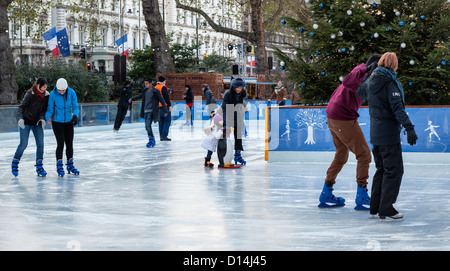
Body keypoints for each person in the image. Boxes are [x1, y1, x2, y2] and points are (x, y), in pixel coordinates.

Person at [356, 52, 418, 219]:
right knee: (394, 171)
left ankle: (376, 206)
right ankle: (386, 207)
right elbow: (397, 109)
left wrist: (367, 73)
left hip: (376, 134)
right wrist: (409, 127)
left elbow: (359, 92)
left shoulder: (371, 80)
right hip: (389, 135)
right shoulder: (389, 82)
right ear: (394, 65)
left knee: (381, 170)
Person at [318, 54, 381, 210]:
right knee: (364, 154)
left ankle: (326, 193)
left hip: (334, 116)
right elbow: (347, 82)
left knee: (341, 155)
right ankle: (362, 195)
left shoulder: (364, 76)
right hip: (342, 118)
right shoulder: (359, 73)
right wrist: (365, 69)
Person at [11, 78, 50, 177]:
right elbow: (21, 107)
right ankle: (15, 163)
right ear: (37, 85)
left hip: (37, 123)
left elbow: (44, 110)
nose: (44, 89)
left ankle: (39, 167)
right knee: (23, 144)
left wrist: (42, 119)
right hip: (26, 122)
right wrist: (20, 119)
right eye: (43, 86)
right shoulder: (30, 94)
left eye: (46, 87)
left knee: (40, 144)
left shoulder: (46, 96)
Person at [45, 78, 80, 177]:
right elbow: (50, 110)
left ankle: (70, 165)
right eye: (59, 90)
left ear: (66, 88)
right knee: (60, 143)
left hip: (68, 122)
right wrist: (44, 119)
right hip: (57, 122)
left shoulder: (71, 92)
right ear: (57, 88)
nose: (61, 92)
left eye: (63, 90)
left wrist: (75, 116)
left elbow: (75, 106)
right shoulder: (52, 94)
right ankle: (59, 165)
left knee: (69, 143)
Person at [130, 78, 168, 147]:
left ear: (151, 83)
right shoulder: (145, 91)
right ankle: (152, 139)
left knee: (148, 126)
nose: (146, 85)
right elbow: (139, 96)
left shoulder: (155, 91)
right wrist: (132, 99)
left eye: (147, 84)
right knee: (146, 127)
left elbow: (162, 100)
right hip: (145, 111)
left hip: (151, 111)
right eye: (145, 84)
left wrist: (165, 110)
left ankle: (151, 139)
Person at [221, 77, 247, 166]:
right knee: (226, 137)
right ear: (233, 87)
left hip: (237, 117)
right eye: (237, 87)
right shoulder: (228, 95)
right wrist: (225, 123)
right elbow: (225, 109)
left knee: (238, 137)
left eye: (241, 87)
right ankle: (224, 155)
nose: (239, 89)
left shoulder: (242, 94)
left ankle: (238, 155)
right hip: (229, 116)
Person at [155, 76, 172, 141]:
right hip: (165, 107)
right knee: (167, 121)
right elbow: (166, 97)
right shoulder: (163, 87)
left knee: (161, 122)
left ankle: (161, 136)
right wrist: (169, 106)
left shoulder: (155, 87)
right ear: (164, 81)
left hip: (158, 107)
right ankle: (164, 135)